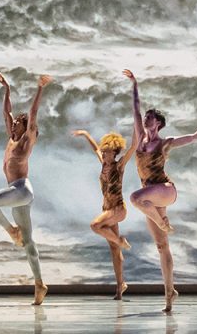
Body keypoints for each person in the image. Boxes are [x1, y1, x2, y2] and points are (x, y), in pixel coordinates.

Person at [123, 69, 197, 312]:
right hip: (151, 197)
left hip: (165, 190)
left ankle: (163, 222)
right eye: (146, 117)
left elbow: (193, 137)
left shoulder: (165, 143)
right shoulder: (140, 138)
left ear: (158, 123)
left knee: (135, 198)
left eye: (150, 118)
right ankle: (170, 293)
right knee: (161, 246)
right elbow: (135, 109)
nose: (145, 119)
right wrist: (134, 84)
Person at [0, 70, 52, 305]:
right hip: (16, 192)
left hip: (22, 189)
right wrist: (7, 88)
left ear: (26, 127)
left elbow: (33, 114)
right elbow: (6, 113)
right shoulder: (11, 138)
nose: (13, 127)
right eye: (13, 125)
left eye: (17, 124)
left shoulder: (26, 140)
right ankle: (40, 284)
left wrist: (40, 88)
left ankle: (11, 231)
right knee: (28, 242)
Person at [72, 126, 138, 299]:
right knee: (114, 249)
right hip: (107, 210)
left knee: (95, 225)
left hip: (118, 209)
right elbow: (95, 148)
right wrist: (86, 134)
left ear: (114, 152)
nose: (103, 152)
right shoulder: (103, 163)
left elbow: (133, 148)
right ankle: (120, 286)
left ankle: (120, 240)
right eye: (104, 150)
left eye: (107, 151)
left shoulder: (119, 166)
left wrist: (136, 129)